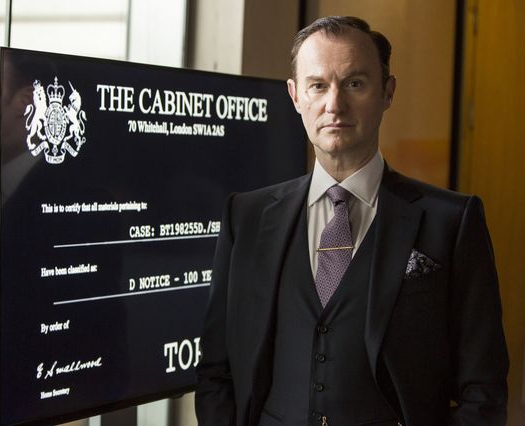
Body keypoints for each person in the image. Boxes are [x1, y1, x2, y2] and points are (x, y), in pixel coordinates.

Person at [194, 16, 508, 426]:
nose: (334, 105)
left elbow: (483, 390)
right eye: (317, 85)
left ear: (387, 92)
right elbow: (216, 371)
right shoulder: (246, 217)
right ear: (295, 96)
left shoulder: (451, 222)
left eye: (355, 83)